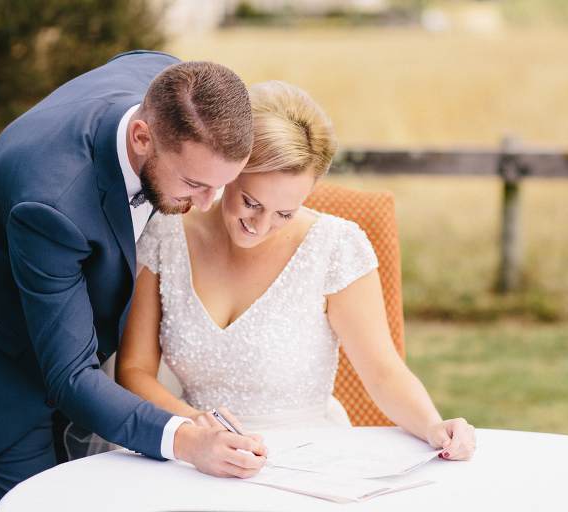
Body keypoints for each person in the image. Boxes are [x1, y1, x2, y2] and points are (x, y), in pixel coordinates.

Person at [0, 51, 268, 512]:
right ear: (141, 137)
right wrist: (189, 442)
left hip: (70, 333)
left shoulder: (177, 88)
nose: (210, 203)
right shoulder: (51, 203)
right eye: (195, 183)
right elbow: (70, 377)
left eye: (222, 184)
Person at [116, 80, 477, 460]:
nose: (260, 225)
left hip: (307, 455)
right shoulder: (165, 234)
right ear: (229, 169)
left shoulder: (336, 248)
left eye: (284, 213)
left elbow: (384, 373)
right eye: (250, 202)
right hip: (197, 455)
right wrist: (193, 428)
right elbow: (134, 369)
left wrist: (433, 425)